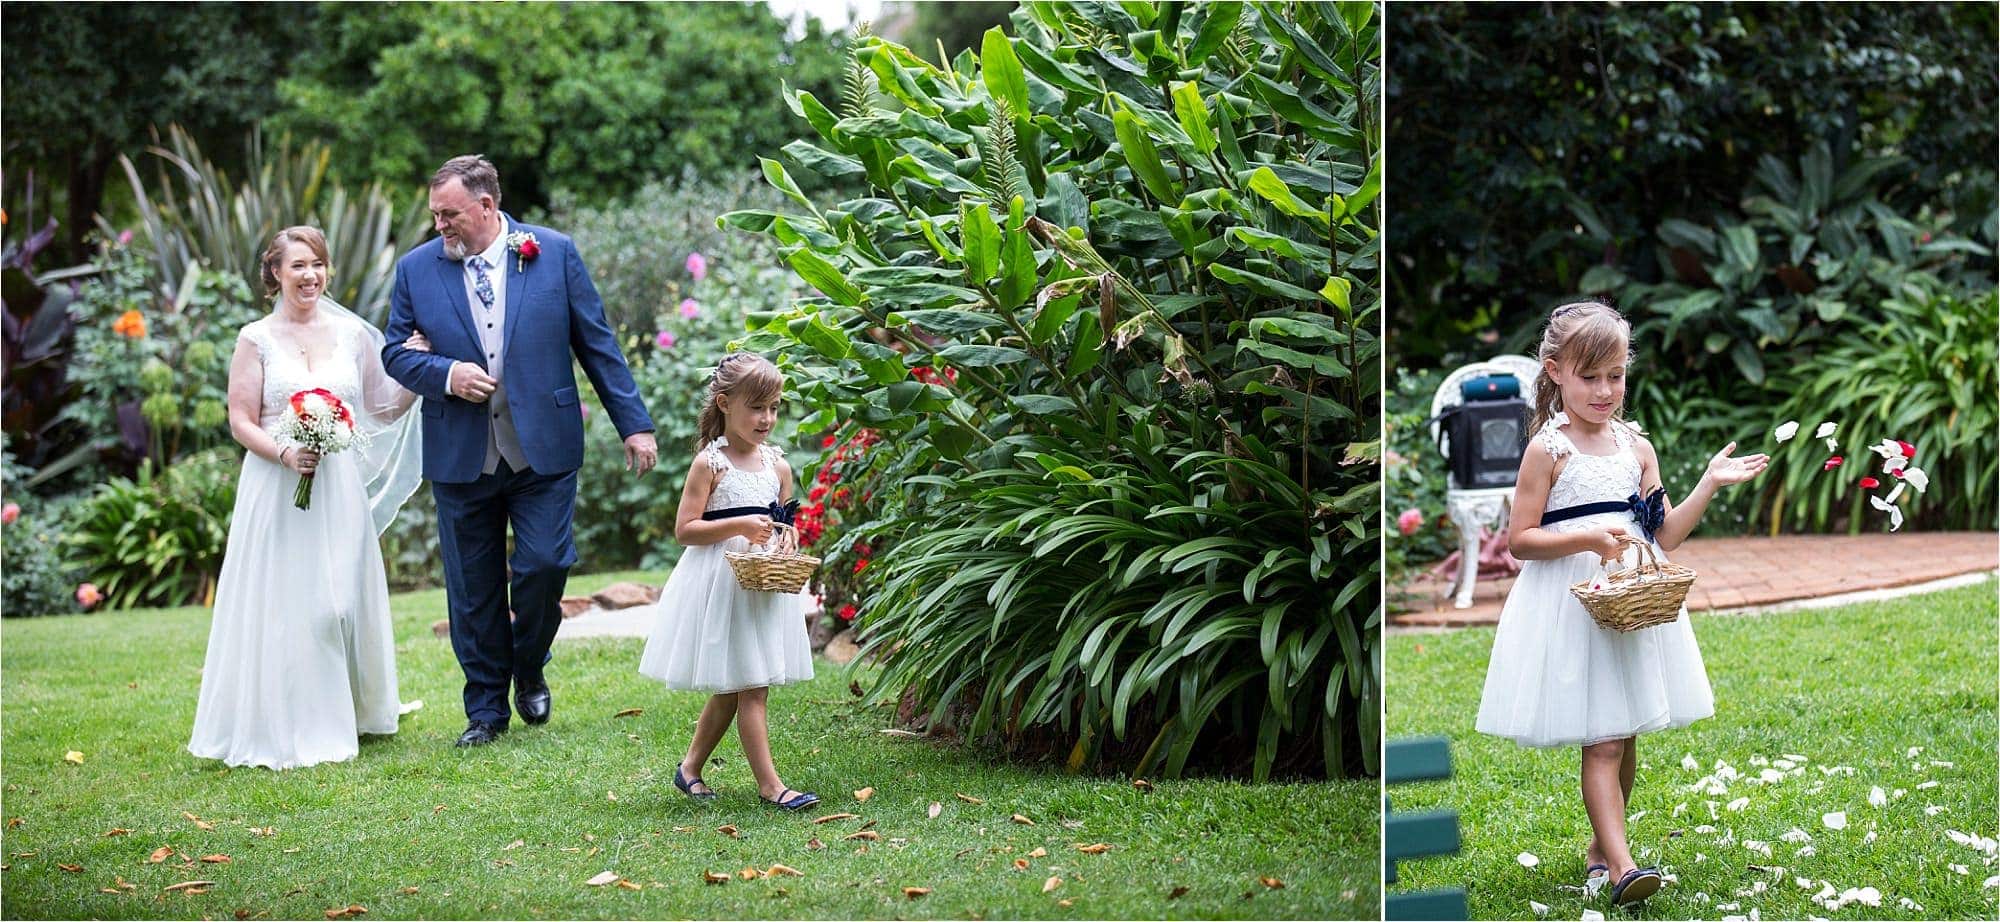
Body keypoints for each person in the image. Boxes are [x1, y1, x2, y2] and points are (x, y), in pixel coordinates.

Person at [1474, 300, 1769, 906]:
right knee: (1604, 738)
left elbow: (1662, 533)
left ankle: (1601, 854)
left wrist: (1708, 484)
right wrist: (1586, 538)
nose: (1605, 390)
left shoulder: (1636, 447)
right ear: (1555, 371)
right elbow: (1520, 541)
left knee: (1625, 732)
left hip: (1632, 596)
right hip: (1573, 600)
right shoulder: (1548, 450)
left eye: (1616, 376)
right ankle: (1624, 867)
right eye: (1590, 377)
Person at [381, 155, 658, 748]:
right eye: (434, 216)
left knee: (545, 565)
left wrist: (633, 425)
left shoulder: (552, 252)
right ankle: (485, 711)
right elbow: (395, 353)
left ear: (487, 206)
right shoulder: (416, 270)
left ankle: (528, 665)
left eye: (449, 214)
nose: (440, 226)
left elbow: (597, 343)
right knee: (472, 587)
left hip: (543, 448)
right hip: (461, 451)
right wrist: (446, 372)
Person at [189, 225, 429, 769]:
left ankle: (355, 708)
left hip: (338, 488)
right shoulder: (256, 338)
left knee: (338, 601)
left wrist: (415, 368)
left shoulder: (352, 336)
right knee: (288, 603)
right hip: (276, 486)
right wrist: (284, 453)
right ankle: (293, 720)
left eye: (318, 264)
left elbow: (381, 406)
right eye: (298, 265)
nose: (311, 275)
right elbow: (240, 420)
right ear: (275, 273)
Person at [637, 352, 818, 810]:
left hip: (761, 585)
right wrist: (738, 528)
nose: (767, 418)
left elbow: (785, 527)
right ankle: (771, 786)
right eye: (756, 407)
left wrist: (785, 546)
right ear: (724, 403)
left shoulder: (777, 466)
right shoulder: (710, 464)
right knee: (752, 686)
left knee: (736, 684)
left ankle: (690, 768)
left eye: (774, 407)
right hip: (721, 583)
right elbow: (685, 530)